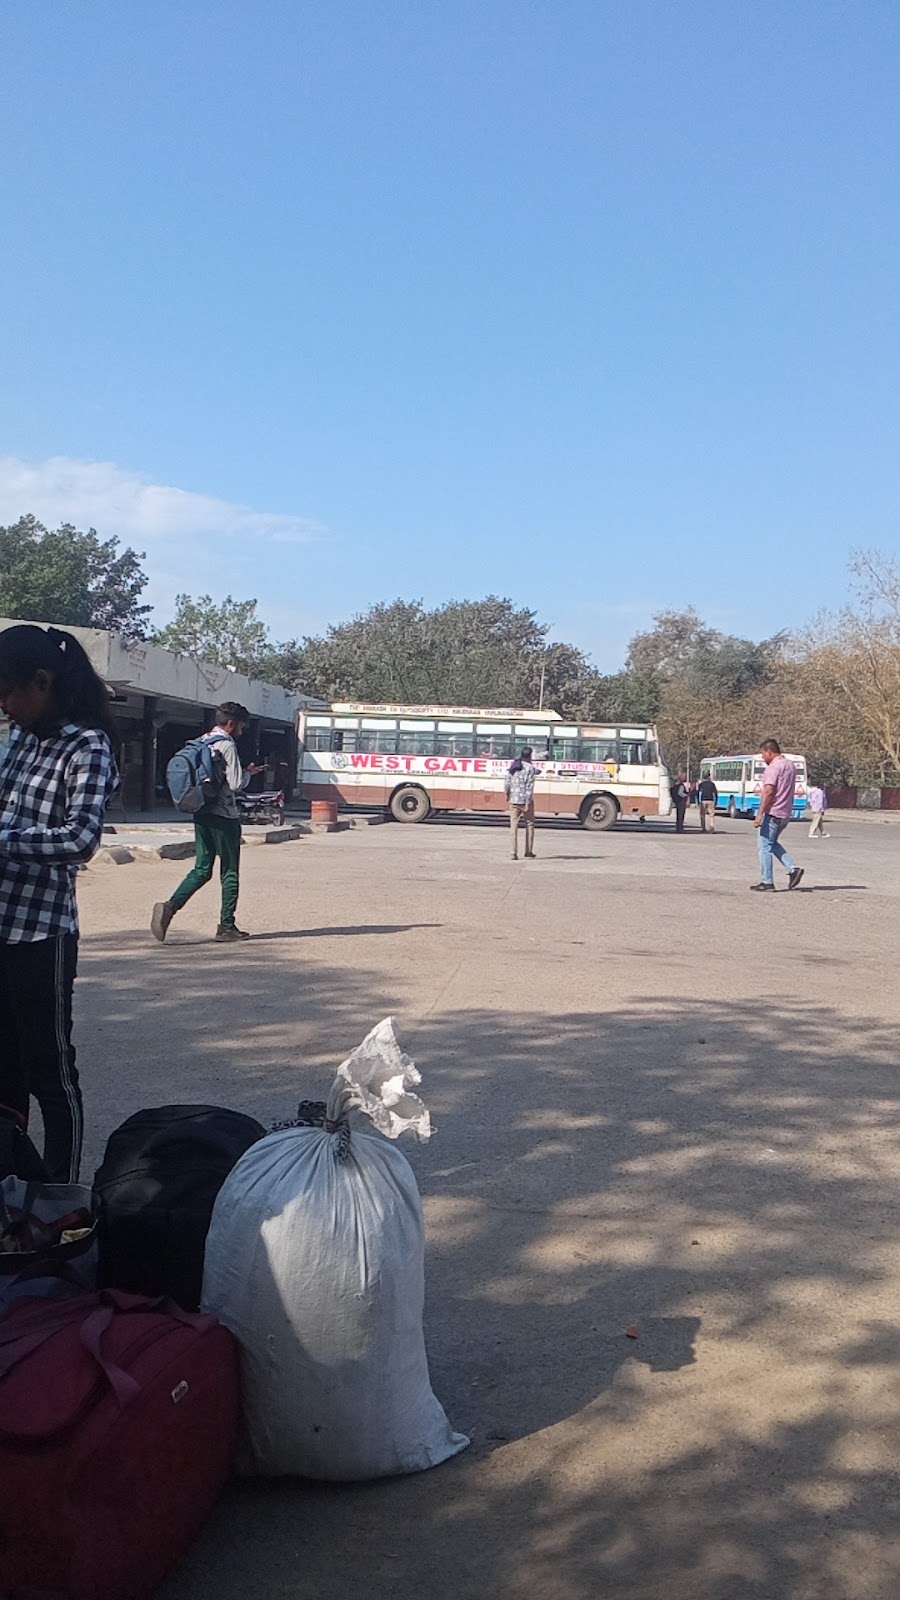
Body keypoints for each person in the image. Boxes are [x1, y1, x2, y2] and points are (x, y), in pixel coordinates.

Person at [0, 624, 119, 1181]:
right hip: (1, 926)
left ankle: (59, 1190)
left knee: (52, 1071)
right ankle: (12, 1177)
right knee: (5, 1067)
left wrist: (4, 839)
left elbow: (81, 839)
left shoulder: (87, 745)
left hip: (41, 934)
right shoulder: (20, 738)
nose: (5, 707)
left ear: (41, 682)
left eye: (7, 693)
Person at [151, 702, 263, 943]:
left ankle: (170, 907)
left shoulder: (203, 740)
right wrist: (246, 775)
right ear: (231, 724)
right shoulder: (227, 745)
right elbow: (234, 784)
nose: (241, 731)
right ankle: (226, 926)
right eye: (241, 726)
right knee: (230, 871)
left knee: (202, 869)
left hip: (201, 810)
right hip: (225, 815)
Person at [751, 738, 804, 892]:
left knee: (764, 847)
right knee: (771, 843)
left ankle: (767, 882)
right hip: (785, 812)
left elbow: (769, 791)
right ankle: (793, 869)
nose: (763, 758)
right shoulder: (790, 765)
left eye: (763, 754)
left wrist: (760, 814)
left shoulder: (773, 768)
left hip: (773, 812)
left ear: (769, 752)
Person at [505, 746, 538, 860]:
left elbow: (507, 782)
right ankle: (528, 851)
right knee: (529, 824)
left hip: (514, 800)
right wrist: (527, 803)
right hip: (525, 801)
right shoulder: (530, 768)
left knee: (513, 826)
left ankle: (513, 853)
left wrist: (507, 794)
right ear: (530, 756)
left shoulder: (514, 765)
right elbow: (529, 787)